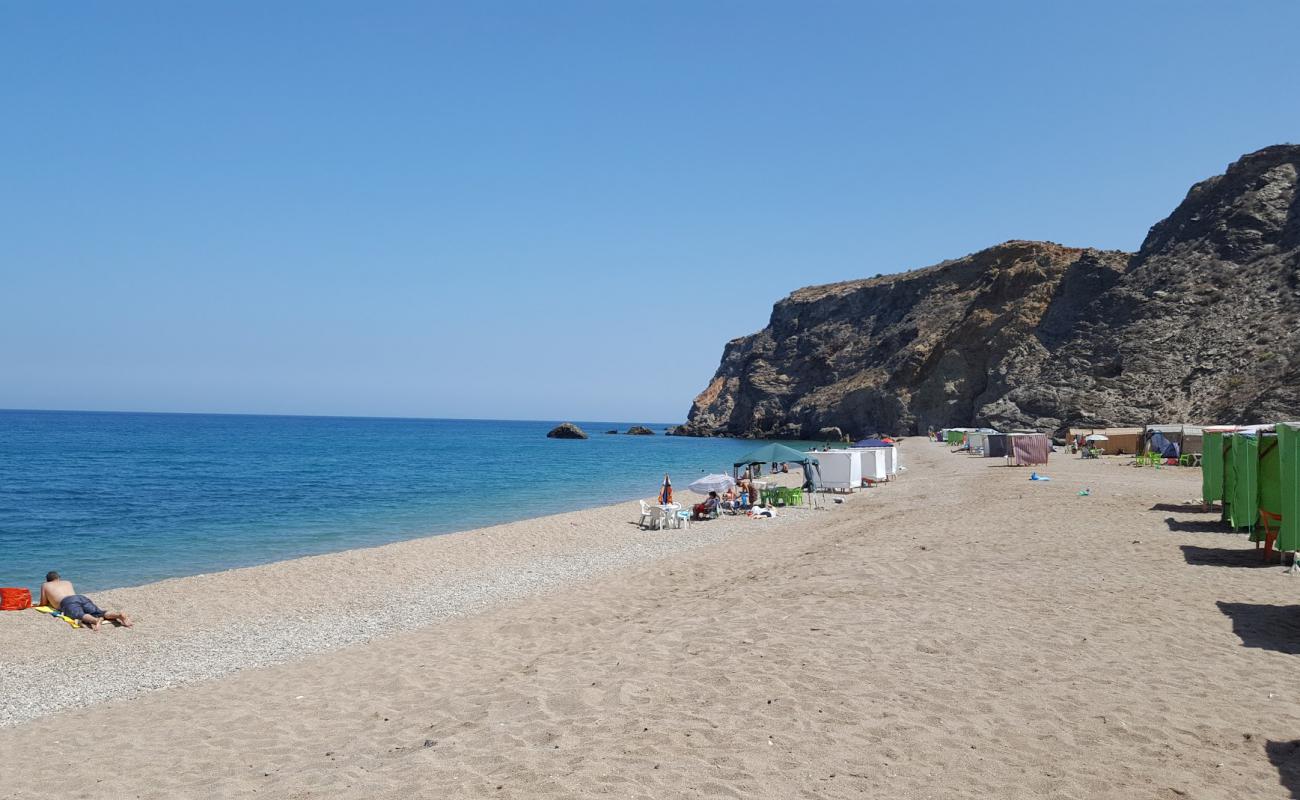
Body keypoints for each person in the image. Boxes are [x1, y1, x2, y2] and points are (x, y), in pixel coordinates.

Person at [39, 571, 132, 632]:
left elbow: (43, 603)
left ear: (47, 580)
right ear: (58, 578)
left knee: (79, 614)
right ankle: (118, 615)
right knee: (98, 612)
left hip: (67, 602)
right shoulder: (67, 582)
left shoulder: (45, 585)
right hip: (80, 597)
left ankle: (95, 620)